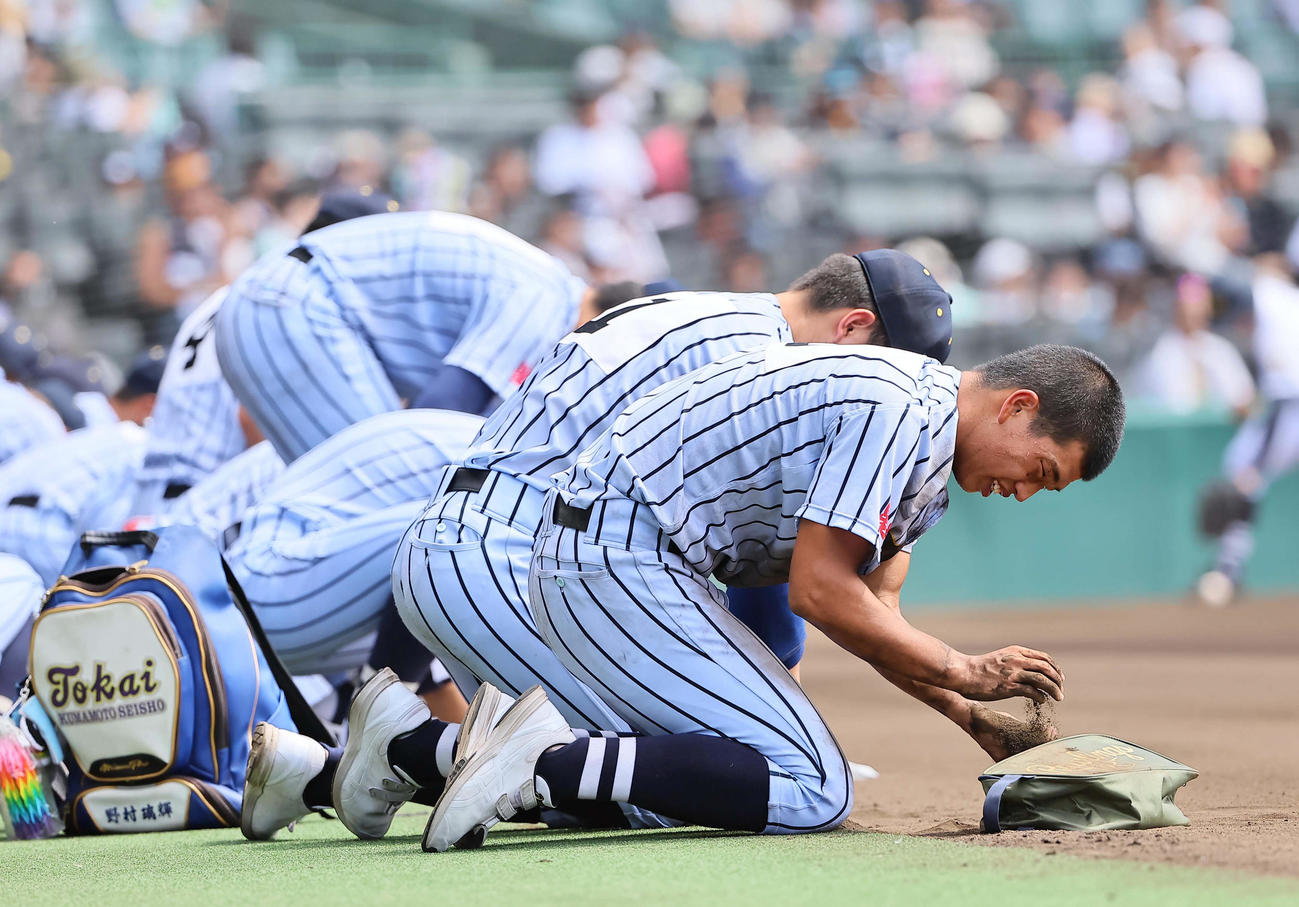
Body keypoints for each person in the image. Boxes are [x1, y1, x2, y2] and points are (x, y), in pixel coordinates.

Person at [239, 250, 955, 841]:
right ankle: (400, 746)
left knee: (601, 782)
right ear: (852, 327)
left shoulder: (711, 312)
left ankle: (319, 772)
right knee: (678, 779)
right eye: (885, 363)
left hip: (480, 546)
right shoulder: (762, 356)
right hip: (513, 556)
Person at [421, 342, 1124, 850]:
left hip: (613, 553)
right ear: (1017, 405)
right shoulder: (901, 409)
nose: (1024, 490)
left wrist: (967, 712)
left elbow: (871, 616)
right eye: (1038, 468)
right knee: (813, 786)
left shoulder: (926, 446)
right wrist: (961, 666)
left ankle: (423, 747)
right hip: (621, 554)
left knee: (693, 787)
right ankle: (542, 757)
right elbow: (817, 590)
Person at [129, 189, 400, 521]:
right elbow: (252, 420)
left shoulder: (253, 290)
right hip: (202, 511)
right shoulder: (287, 302)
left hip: (158, 499)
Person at [1197, 258, 1299, 606]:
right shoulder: (1286, 300)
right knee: (1244, 472)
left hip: (1290, 406)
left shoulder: (1271, 290)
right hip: (1284, 403)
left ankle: (1228, 570)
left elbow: (1227, 288)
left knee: (1244, 472)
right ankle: (1228, 568)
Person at [0, 421, 148, 586]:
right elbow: (104, 534)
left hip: (17, 512)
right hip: (38, 529)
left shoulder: (116, 433)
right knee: (82, 598)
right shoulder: (145, 454)